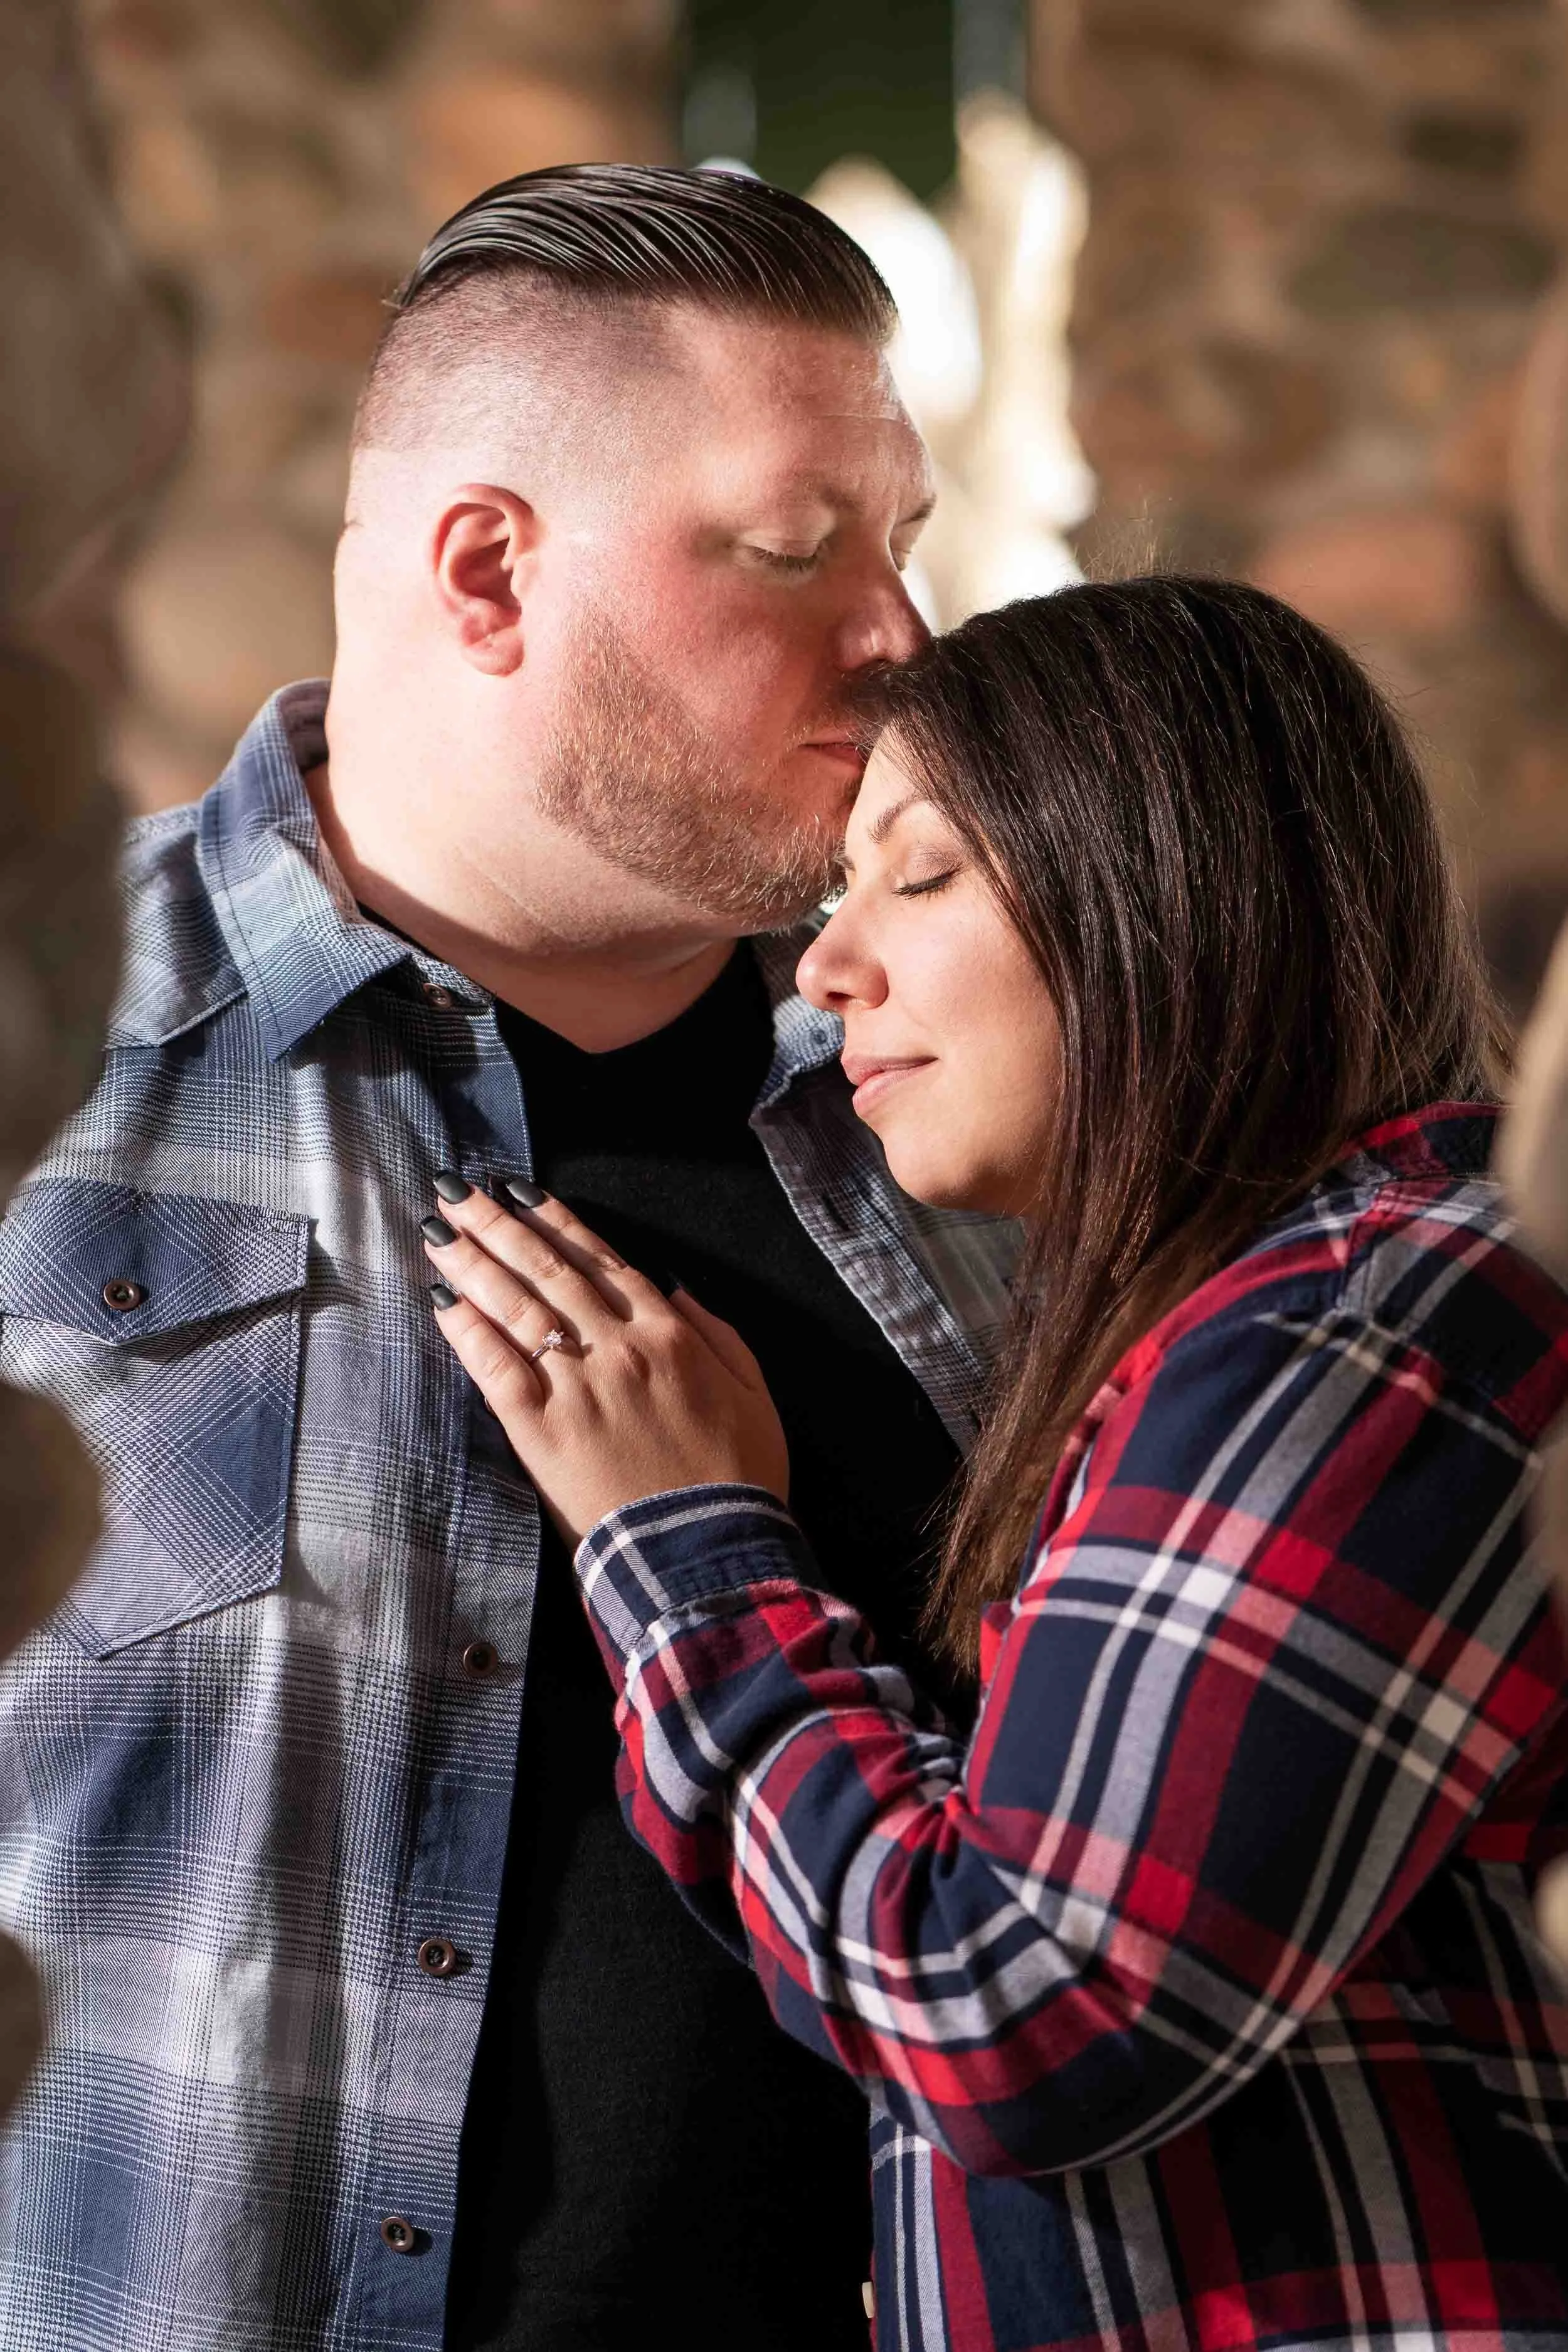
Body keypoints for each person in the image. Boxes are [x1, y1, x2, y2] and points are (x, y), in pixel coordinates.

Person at [0, 166, 1021, 2352]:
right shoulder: (38, 1057)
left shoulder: (995, 1120)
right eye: (795, 547)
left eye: (902, 543)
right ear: (484, 569)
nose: (898, 638)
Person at [425, 578, 1568, 2352]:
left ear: (1162, 873)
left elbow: (1023, 2013)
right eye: (835, 887)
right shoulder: (1250, 1322)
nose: (823, 965)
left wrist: (685, 1540)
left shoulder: (1360, 1324)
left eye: (921, 872)